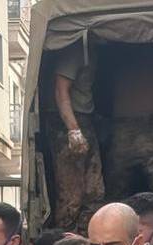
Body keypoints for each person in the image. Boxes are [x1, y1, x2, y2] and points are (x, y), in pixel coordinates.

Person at [103, 44, 153, 202]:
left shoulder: (120, 64)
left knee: (116, 187)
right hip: (151, 129)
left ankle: (117, 224)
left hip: (121, 130)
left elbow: (106, 100)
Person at [44, 43, 104, 233]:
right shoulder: (76, 50)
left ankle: (87, 240)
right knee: (71, 194)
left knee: (94, 190)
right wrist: (73, 130)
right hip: (68, 123)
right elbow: (61, 90)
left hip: (85, 120)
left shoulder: (92, 50)